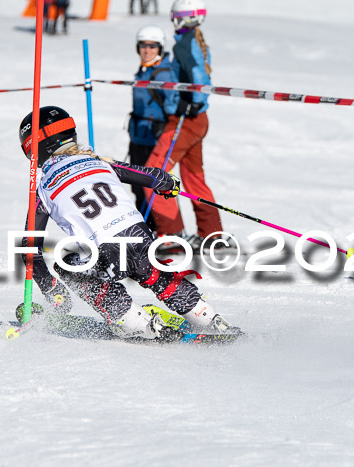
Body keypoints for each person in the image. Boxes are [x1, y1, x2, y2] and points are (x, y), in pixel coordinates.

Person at [19, 106, 236, 340]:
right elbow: (156, 177)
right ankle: (206, 317)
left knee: (67, 264)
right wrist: (168, 184)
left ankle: (132, 321)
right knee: (153, 270)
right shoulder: (100, 163)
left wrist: (52, 288)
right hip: (138, 236)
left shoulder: (43, 189)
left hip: (104, 252)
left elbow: (29, 249)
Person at [143, 0, 223, 252]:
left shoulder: (185, 45)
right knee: (193, 177)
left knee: (153, 171)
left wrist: (194, 102)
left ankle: (171, 234)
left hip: (186, 120)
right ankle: (212, 234)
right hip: (197, 120)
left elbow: (199, 77)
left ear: (183, 19)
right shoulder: (195, 41)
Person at [128, 25, 178, 233]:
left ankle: (163, 229)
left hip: (155, 138)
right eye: (143, 46)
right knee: (137, 185)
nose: (147, 50)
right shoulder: (144, 69)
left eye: (152, 46)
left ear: (160, 47)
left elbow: (173, 105)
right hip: (138, 136)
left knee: (155, 186)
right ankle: (145, 229)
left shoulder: (164, 73)